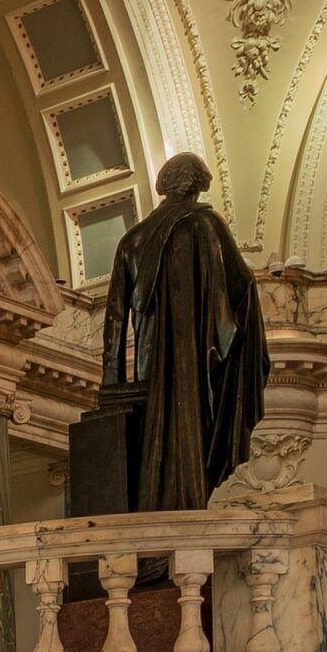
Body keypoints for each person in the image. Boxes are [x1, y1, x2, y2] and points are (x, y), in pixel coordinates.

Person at [97, 153, 265, 513]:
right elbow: (240, 290)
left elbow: (113, 320)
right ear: (194, 186)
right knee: (196, 438)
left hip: (147, 370)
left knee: (149, 450)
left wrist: (111, 386)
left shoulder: (131, 241)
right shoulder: (205, 224)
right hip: (195, 368)